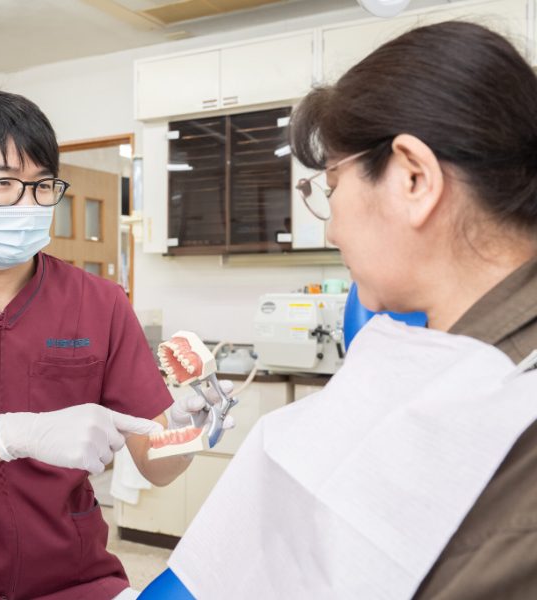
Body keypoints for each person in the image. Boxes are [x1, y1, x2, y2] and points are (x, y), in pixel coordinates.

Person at [147, 20, 537, 599]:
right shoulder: (444, 345)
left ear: (413, 178)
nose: (330, 229)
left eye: (330, 186)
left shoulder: (508, 417)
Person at [0, 91, 226, 600]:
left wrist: (185, 435)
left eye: (42, 185)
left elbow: (155, 466)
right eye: (3, 183)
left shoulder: (100, 302)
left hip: (75, 579)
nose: (28, 203)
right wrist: (19, 433)